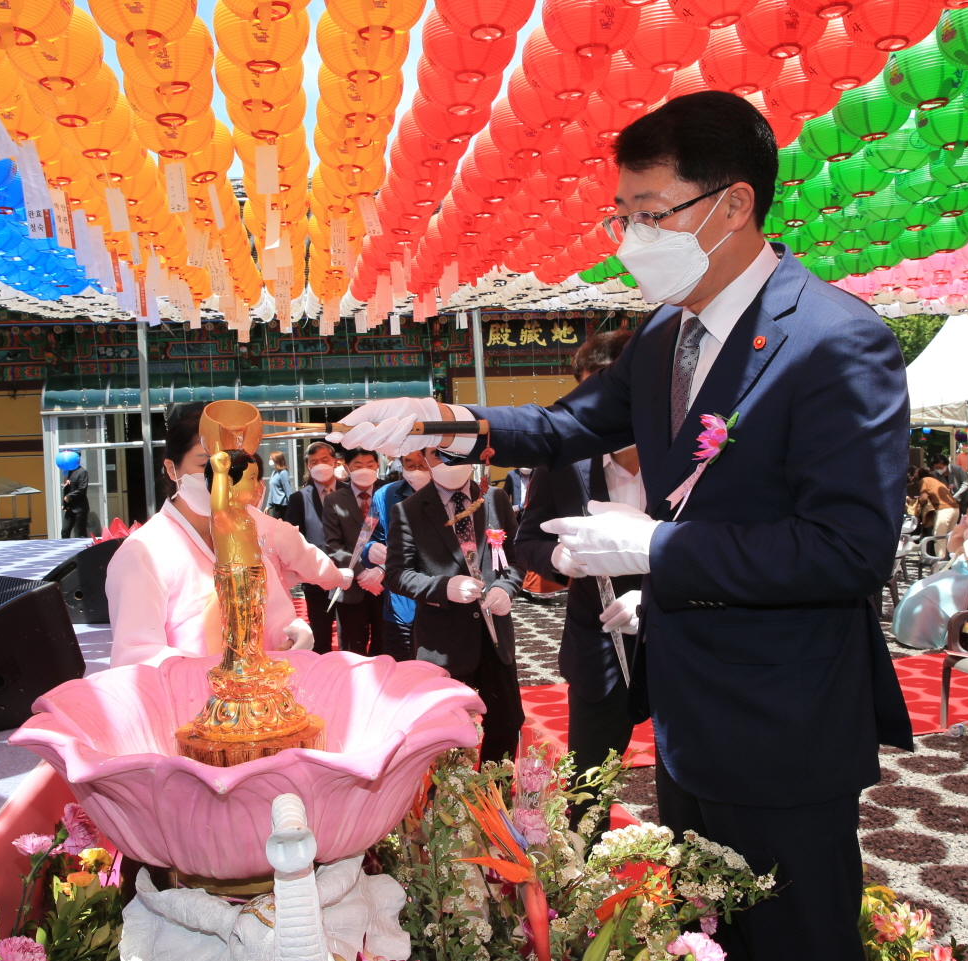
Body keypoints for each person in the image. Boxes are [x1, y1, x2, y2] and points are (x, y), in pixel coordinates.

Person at [330, 91, 913, 959]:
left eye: (652, 213)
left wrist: (657, 549)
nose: (634, 238)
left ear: (733, 204)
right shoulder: (665, 336)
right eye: (624, 215)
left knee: (797, 939)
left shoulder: (833, 339)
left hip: (784, 717)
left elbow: (851, 548)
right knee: (705, 934)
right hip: (684, 712)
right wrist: (438, 421)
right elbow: (566, 427)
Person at [106, 403, 348, 668]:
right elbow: (137, 656)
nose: (223, 478)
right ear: (172, 468)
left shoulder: (246, 531)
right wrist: (223, 672)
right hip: (190, 703)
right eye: (207, 464)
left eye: (234, 466)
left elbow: (273, 609)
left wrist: (292, 632)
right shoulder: (145, 553)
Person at [513, 327, 643, 791]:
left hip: (679, 637)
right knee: (587, 782)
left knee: (689, 780)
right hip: (597, 642)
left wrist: (653, 597)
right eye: (590, 393)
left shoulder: (686, 453)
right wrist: (558, 557)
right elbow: (524, 540)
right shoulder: (566, 461)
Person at [386, 462, 524, 765]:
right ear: (426, 460)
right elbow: (396, 574)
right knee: (444, 734)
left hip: (494, 636)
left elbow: (514, 559)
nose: (450, 463)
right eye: (440, 455)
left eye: (458, 455)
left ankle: (494, 799)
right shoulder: (408, 509)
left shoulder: (495, 499)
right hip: (442, 640)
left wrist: (506, 587)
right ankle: (447, 807)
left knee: (507, 722)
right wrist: (443, 587)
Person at [890, 496, 968, 651]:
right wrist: (961, 529)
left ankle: (930, 635)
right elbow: (953, 548)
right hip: (965, 573)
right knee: (919, 587)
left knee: (934, 593)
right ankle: (910, 633)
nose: (967, 517)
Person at [365, 449, 434, 661]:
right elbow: (367, 537)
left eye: (423, 465)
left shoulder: (451, 495)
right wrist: (371, 549)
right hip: (399, 605)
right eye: (409, 465)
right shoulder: (384, 495)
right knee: (401, 670)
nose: (416, 471)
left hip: (439, 601)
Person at [283, 441, 348, 653]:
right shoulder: (298, 499)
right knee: (320, 634)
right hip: (316, 578)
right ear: (308, 467)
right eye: (314, 462)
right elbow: (294, 539)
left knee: (350, 633)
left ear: (335, 461)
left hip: (349, 575)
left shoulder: (350, 493)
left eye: (325, 460)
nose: (320, 465)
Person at [322, 449, 387, 657]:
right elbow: (333, 545)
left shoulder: (389, 493)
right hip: (351, 587)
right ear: (347, 468)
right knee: (352, 650)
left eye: (370, 464)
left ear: (378, 465)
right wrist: (361, 573)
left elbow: (403, 538)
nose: (365, 470)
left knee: (386, 647)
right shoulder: (334, 500)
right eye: (358, 466)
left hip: (386, 586)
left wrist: (381, 571)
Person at [915, 467, 961, 548]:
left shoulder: (924, 480)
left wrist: (918, 504)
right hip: (955, 509)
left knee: (939, 538)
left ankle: (940, 559)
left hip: (944, 510)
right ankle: (949, 559)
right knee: (948, 538)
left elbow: (924, 497)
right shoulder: (937, 481)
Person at [58, 450, 90, 538]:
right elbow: (67, 488)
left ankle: (84, 549)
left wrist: (69, 497)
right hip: (70, 508)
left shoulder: (82, 472)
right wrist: (64, 503)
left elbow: (82, 489)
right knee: (65, 531)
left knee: (80, 532)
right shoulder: (69, 472)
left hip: (80, 508)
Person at [264, 450, 293, 519]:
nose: (270, 461)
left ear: (277, 460)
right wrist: (268, 505)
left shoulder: (283, 473)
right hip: (276, 505)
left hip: (283, 505)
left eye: (271, 459)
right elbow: (272, 491)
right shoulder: (274, 473)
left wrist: (292, 505)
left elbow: (288, 490)